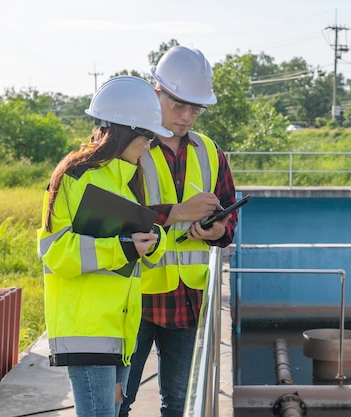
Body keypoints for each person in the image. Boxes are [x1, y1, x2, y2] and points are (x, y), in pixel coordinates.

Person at [37, 75, 173, 417]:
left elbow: (148, 240)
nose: (150, 144)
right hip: (87, 330)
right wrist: (124, 248)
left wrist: (152, 242)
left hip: (120, 330)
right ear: (125, 131)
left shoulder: (129, 182)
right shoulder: (74, 175)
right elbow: (55, 252)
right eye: (148, 136)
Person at [120, 46, 238, 417]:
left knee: (180, 403)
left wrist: (217, 230)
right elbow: (113, 218)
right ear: (158, 93)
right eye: (179, 106)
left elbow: (229, 215)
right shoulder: (129, 148)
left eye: (196, 109)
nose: (187, 117)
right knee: (119, 399)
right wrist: (175, 213)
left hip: (188, 298)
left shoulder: (210, 152)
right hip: (135, 298)